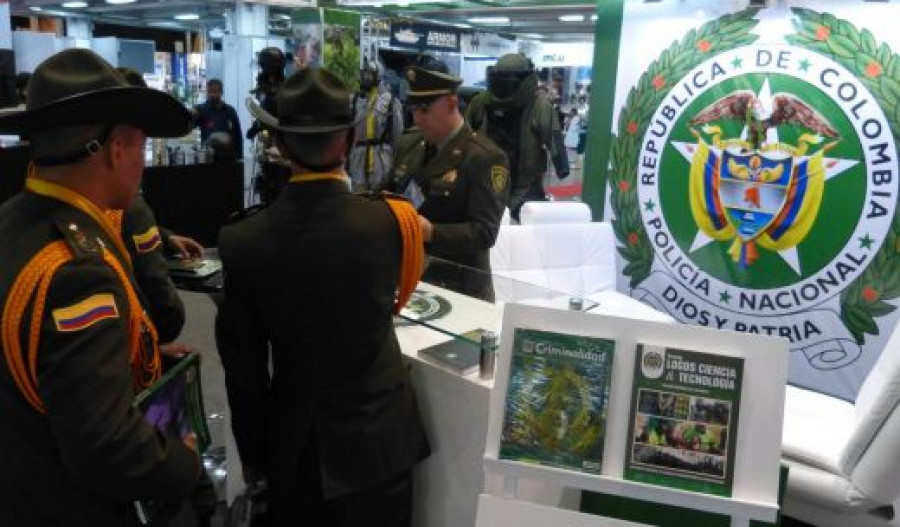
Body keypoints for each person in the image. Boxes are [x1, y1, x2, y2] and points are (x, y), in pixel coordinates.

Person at [216, 67, 430, 527]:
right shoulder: (392, 222)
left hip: (297, 448)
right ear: (350, 142)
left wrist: (255, 457)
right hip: (380, 439)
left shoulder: (244, 240)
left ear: (281, 145)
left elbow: (245, 371)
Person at [0, 48, 199, 525]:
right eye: (142, 146)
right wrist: (183, 461)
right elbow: (105, 448)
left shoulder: (12, 222)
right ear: (116, 149)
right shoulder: (78, 272)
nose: (143, 161)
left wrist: (133, 357)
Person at [384, 57, 508, 300]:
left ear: (451, 103)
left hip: (460, 289)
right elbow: (389, 192)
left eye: (425, 110)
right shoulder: (409, 144)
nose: (417, 118)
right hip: (409, 280)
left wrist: (432, 232)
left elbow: (484, 232)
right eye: (413, 109)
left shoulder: (484, 157)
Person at [466, 53, 569, 221]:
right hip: (491, 183)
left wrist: (562, 166)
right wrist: (562, 167)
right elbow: (465, 135)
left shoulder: (536, 104)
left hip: (520, 186)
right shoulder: (481, 102)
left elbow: (553, 136)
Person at [347, 60, 403, 191]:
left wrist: (396, 164)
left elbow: (398, 136)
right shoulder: (354, 100)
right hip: (358, 156)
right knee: (358, 196)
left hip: (381, 156)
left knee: (379, 197)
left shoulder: (391, 102)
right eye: (364, 74)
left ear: (378, 76)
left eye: (370, 74)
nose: (366, 78)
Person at [192, 78, 243, 159]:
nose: (211, 95)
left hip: (229, 157)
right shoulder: (201, 110)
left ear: (221, 92)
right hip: (208, 157)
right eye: (209, 92)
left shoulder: (230, 111)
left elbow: (238, 134)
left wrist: (239, 156)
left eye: (215, 92)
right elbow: (191, 125)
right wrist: (192, 116)